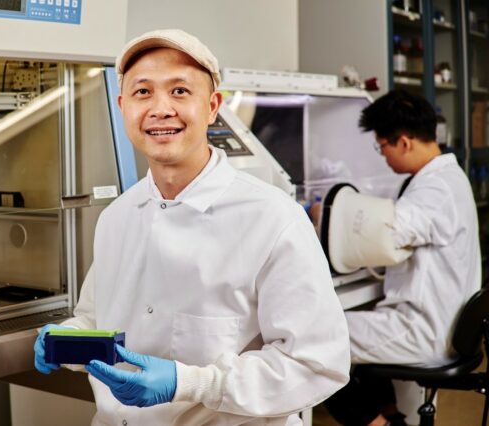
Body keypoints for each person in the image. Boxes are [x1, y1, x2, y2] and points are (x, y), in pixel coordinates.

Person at [34, 29, 351, 426]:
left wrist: (192, 384)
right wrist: (66, 339)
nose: (160, 108)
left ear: (213, 106)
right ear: (122, 106)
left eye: (180, 91)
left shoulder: (272, 218)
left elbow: (317, 365)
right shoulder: (116, 217)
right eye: (142, 92)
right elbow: (98, 321)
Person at [322, 90, 481, 426]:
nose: (383, 158)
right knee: (347, 330)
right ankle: (393, 419)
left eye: (382, 148)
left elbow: (388, 233)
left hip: (423, 331)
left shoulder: (435, 189)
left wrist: (319, 215)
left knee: (311, 337)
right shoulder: (446, 177)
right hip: (439, 324)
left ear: (404, 142)